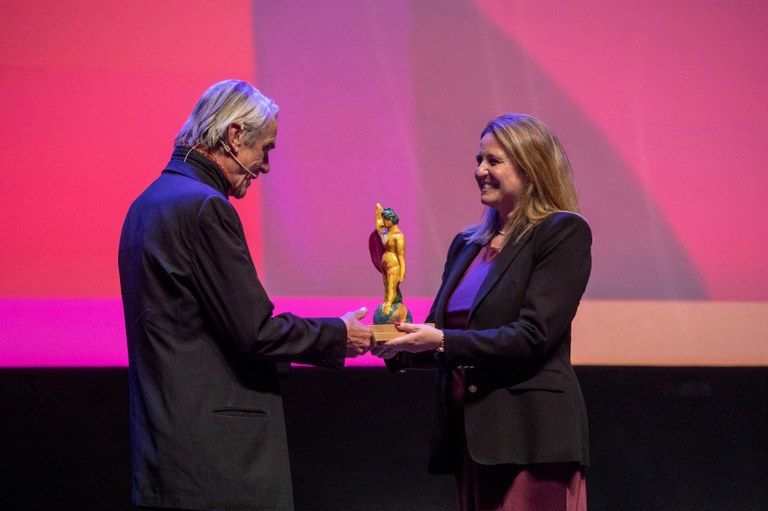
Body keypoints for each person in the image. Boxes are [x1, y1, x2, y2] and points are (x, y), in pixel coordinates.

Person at [118, 79, 373, 511]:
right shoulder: (203, 207)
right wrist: (338, 336)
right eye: (266, 149)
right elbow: (255, 332)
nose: (266, 166)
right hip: (216, 464)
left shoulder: (147, 203)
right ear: (235, 136)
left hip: (166, 452)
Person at [375, 114, 592, 510]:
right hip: (473, 441)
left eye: (493, 161)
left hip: (532, 440)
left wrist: (439, 340)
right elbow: (446, 334)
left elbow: (533, 337)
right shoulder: (466, 245)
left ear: (530, 165)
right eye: (479, 160)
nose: (480, 171)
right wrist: (393, 342)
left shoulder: (561, 233)